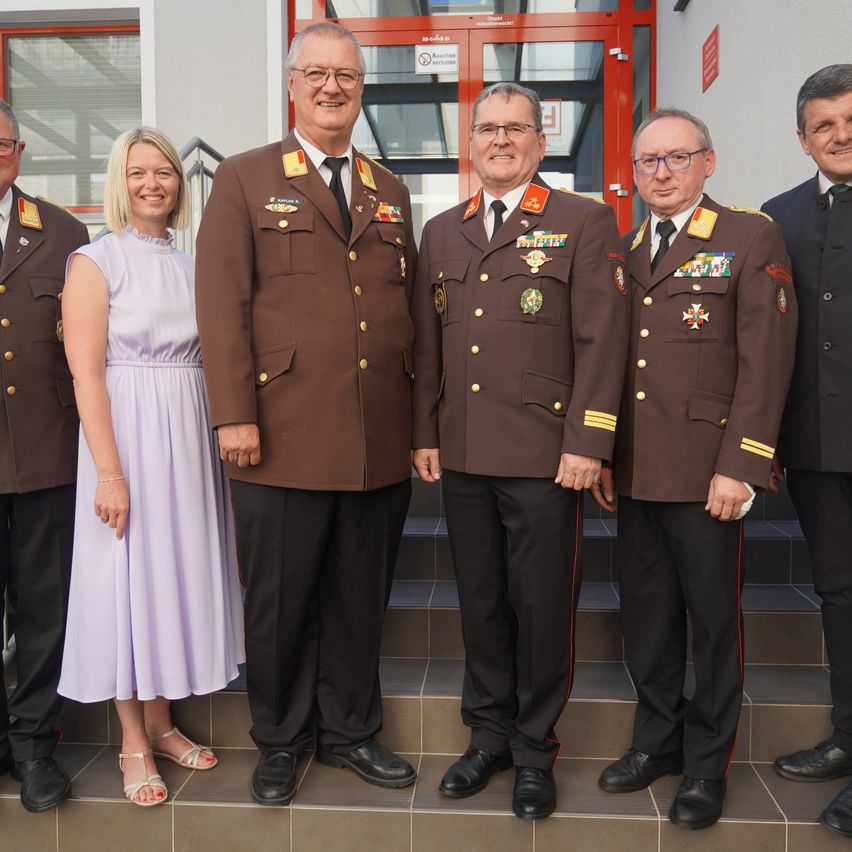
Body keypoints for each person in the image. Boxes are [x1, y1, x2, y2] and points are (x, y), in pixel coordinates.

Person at [195, 22, 417, 806]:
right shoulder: (246, 178)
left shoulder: (389, 190)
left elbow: (403, 313)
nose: (332, 87)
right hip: (278, 433)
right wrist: (233, 415)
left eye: (347, 77)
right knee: (282, 601)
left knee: (360, 598)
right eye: (317, 74)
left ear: (361, 90)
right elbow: (222, 306)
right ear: (292, 85)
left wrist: (417, 430)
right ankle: (282, 740)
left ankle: (353, 731)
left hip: (373, 440)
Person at [412, 81, 628, 820]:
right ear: (469, 143)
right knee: (482, 605)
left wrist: (590, 441)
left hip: (546, 451)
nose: (500, 141)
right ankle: (489, 737)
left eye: (515, 129)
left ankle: (536, 750)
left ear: (541, 141)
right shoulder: (442, 229)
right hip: (466, 450)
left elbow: (604, 340)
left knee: (540, 608)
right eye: (486, 129)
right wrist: (424, 432)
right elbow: (429, 343)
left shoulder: (584, 220)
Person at [593, 108, 797, 830]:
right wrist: (608, 453)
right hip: (641, 472)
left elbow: (764, 363)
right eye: (649, 161)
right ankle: (657, 742)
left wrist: (742, 465)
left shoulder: (748, 237)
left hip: (711, 475)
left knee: (712, 626)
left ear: (708, 162)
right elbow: (617, 366)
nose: (662, 172)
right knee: (646, 622)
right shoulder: (625, 249)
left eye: (677, 157)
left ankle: (707, 764)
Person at [57, 127, 245, 807]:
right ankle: (133, 739)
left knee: (167, 577)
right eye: (138, 172)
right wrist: (109, 473)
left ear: (179, 184)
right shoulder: (94, 261)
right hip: (127, 433)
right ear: (120, 182)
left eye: (164, 171)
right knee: (125, 581)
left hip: (185, 438)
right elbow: (85, 375)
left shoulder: (196, 265)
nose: (152, 183)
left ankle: (164, 722)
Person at [761, 64, 852, 840]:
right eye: (824, 125)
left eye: (850, 120)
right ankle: (849, 737)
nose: (840, 134)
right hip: (818, 448)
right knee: (840, 596)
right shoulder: (777, 216)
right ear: (802, 139)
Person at [0, 99, 89, 813]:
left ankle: (33, 744)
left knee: (43, 608)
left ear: (20, 151)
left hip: (45, 454)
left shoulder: (62, 232)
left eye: (2, 144)